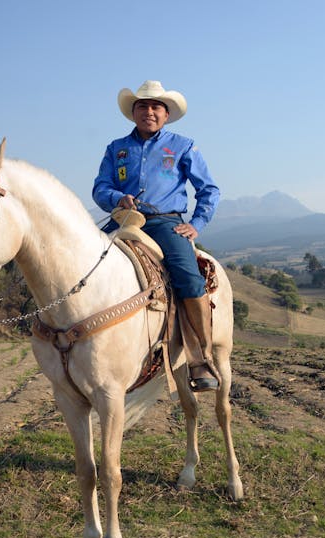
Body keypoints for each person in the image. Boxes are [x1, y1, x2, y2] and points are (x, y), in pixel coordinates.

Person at [92, 80, 220, 391]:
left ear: (166, 114)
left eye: (155, 107)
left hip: (166, 222)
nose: (149, 111)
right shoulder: (116, 149)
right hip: (123, 218)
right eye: (142, 106)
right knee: (89, 262)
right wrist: (115, 199)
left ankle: (201, 358)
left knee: (189, 279)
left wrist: (196, 224)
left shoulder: (183, 146)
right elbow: (100, 187)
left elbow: (209, 190)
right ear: (133, 112)